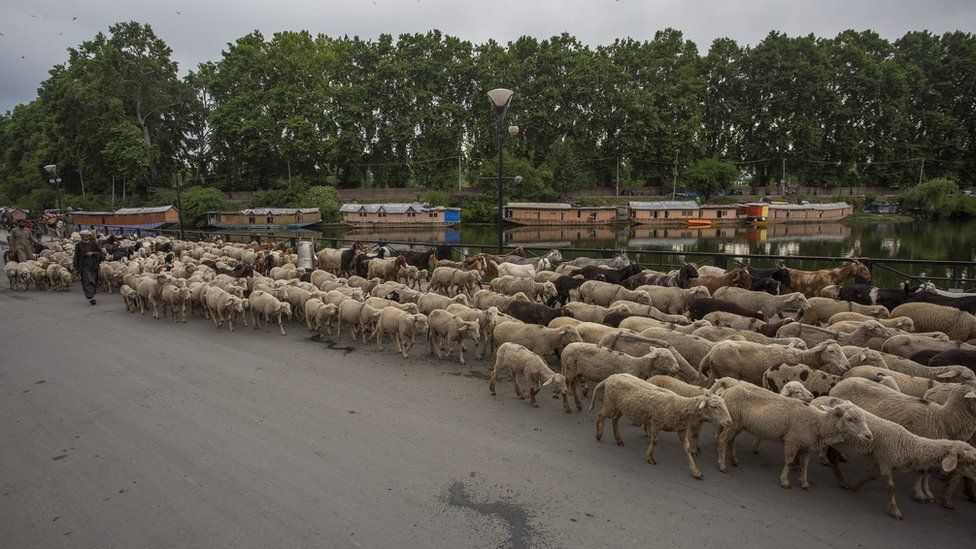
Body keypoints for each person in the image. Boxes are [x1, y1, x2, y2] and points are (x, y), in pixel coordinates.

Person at [73, 230, 105, 305]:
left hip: (93, 265)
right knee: (87, 280)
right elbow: (76, 256)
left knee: (94, 281)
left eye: (86, 236)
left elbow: (101, 254)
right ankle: (91, 297)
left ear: (89, 237)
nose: (85, 238)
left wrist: (93, 253)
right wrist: (76, 267)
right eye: (83, 236)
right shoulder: (78, 245)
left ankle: (92, 294)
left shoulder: (94, 244)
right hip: (83, 266)